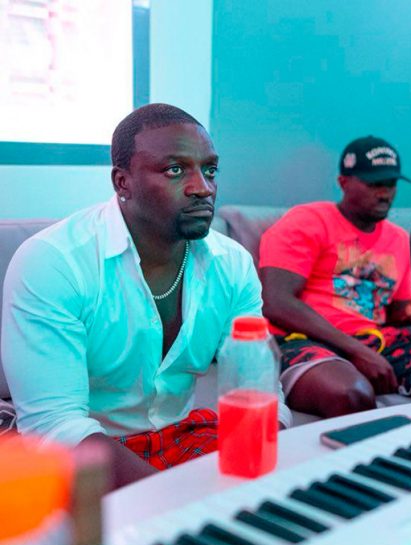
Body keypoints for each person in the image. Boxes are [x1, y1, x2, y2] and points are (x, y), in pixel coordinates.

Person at [1, 103, 290, 489]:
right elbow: (55, 426)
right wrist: (172, 502)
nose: (203, 188)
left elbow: (259, 388)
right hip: (84, 451)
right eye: (175, 170)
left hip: (179, 435)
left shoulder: (232, 264)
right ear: (123, 182)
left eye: (209, 170)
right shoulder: (55, 261)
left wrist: (254, 479)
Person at [259, 136, 411, 417]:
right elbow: (275, 302)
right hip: (305, 338)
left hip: (375, 338)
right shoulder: (308, 221)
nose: (384, 193)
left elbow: (399, 311)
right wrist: (357, 350)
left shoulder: (399, 239)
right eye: (374, 183)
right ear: (343, 182)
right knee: (351, 394)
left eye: (390, 184)